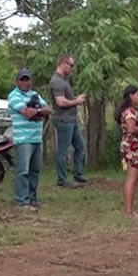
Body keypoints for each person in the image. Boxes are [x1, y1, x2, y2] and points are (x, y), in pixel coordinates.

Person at [7, 69, 51, 210]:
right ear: (17, 81)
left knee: (34, 171)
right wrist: (38, 111)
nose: (26, 82)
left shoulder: (35, 95)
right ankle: (22, 201)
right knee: (22, 171)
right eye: (23, 80)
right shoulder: (14, 96)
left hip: (36, 138)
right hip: (23, 139)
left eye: (28, 79)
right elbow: (26, 113)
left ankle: (32, 198)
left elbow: (48, 109)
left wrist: (36, 111)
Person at [49, 55, 89, 188]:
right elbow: (60, 101)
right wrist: (76, 102)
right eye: (71, 65)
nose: (72, 68)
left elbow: (66, 99)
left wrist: (76, 98)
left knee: (80, 146)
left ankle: (78, 175)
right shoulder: (57, 81)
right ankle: (62, 179)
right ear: (62, 63)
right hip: (63, 120)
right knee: (63, 151)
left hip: (71, 120)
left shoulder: (64, 80)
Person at [116, 85, 138, 219]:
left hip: (137, 147)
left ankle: (130, 208)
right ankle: (129, 211)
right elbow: (131, 129)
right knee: (132, 179)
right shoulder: (129, 112)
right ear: (130, 96)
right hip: (132, 147)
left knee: (134, 178)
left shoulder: (133, 111)